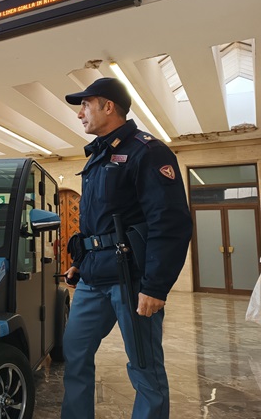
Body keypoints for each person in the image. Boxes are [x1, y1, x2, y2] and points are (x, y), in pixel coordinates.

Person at [60, 77, 192, 419]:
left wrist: (155, 286)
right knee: (74, 353)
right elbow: (96, 221)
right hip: (93, 277)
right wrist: (81, 261)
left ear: (108, 106)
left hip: (131, 280)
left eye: (85, 105)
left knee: (144, 368)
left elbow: (170, 222)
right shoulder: (98, 156)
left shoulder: (147, 151)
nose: (80, 115)